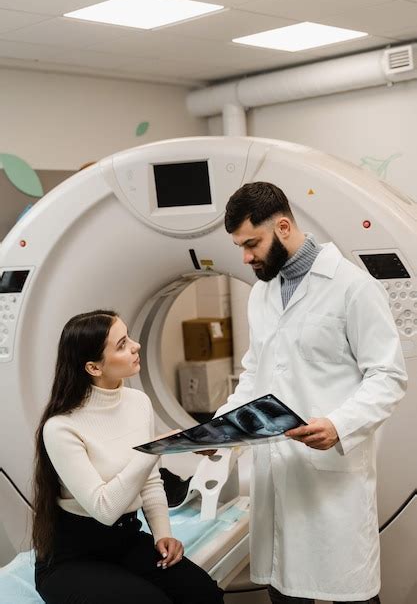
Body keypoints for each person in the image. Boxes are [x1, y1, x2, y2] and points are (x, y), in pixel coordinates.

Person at [214, 182, 407, 604]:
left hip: (331, 472)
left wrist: (339, 426)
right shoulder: (262, 293)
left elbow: (388, 375)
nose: (245, 257)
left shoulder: (352, 287)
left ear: (283, 226)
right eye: (239, 247)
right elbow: (255, 372)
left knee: (349, 591)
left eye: (252, 244)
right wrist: (220, 426)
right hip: (277, 468)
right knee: (284, 590)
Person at [32, 309, 224, 604]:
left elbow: (149, 481)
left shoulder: (138, 403)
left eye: (129, 338)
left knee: (203, 594)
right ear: (94, 368)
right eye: (121, 344)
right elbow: (105, 509)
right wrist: (153, 450)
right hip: (72, 559)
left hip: (126, 541)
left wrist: (162, 534)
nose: (135, 346)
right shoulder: (61, 428)